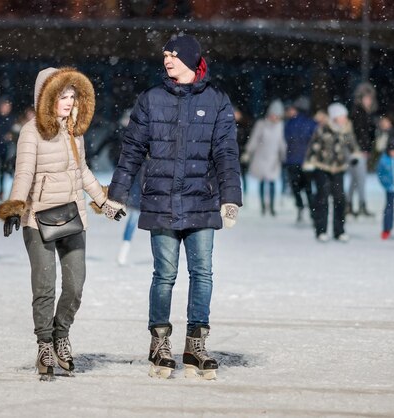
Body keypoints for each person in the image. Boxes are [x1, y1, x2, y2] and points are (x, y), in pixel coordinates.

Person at [103, 34, 242, 380]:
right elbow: (132, 149)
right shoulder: (151, 100)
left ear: (192, 60)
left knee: (203, 274)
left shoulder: (216, 101)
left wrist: (230, 197)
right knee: (164, 275)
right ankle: (159, 343)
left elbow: (226, 153)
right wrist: (116, 193)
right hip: (161, 199)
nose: (167, 60)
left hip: (201, 200)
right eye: (165, 55)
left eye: (174, 56)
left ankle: (196, 343)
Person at [0, 67, 107, 381]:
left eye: (72, 96)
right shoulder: (31, 131)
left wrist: (102, 200)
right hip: (37, 218)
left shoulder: (75, 130)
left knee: (75, 285)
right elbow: (24, 173)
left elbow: (82, 171)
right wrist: (15, 207)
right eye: (62, 97)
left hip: (73, 216)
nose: (69, 102)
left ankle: (61, 334)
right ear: (46, 98)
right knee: (44, 287)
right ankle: (44, 343)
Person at [303, 103, 361, 243]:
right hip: (322, 167)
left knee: (340, 199)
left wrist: (354, 155)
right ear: (335, 117)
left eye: (345, 116)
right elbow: (313, 146)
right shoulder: (323, 129)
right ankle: (321, 231)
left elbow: (353, 145)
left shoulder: (347, 130)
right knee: (322, 199)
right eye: (341, 116)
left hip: (339, 168)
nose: (344, 118)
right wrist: (309, 162)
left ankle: (339, 231)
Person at [245, 99, 286, 216]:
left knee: (272, 181)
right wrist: (248, 151)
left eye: (278, 115)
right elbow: (254, 139)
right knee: (262, 181)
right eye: (274, 114)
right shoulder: (261, 124)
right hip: (261, 157)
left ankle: (272, 207)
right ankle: (263, 206)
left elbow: (281, 142)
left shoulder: (280, 126)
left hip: (273, 158)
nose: (275, 117)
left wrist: (283, 153)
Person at [284, 96, 317, 223]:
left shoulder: (290, 123)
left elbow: (286, 138)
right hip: (306, 160)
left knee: (295, 187)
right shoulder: (312, 123)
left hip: (292, 159)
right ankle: (312, 212)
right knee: (308, 187)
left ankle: (300, 207)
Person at [348, 82, 377, 217]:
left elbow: (367, 134)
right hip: (357, 152)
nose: (368, 100)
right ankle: (361, 205)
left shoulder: (365, 113)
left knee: (355, 179)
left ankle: (349, 205)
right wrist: (363, 149)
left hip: (358, 150)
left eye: (370, 98)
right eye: (366, 97)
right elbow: (359, 134)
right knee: (360, 179)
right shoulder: (358, 113)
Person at [234, 107, 252, 195]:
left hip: (242, 151)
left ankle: (245, 190)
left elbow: (247, 139)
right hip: (234, 151)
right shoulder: (230, 125)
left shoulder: (245, 125)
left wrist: (246, 151)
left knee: (243, 173)